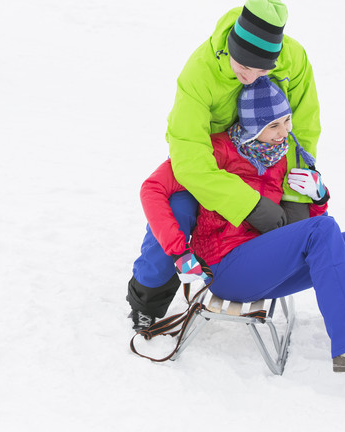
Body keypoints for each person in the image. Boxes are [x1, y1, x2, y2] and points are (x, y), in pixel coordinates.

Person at [135, 76, 345, 383]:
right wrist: (177, 250)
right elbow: (152, 189)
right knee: (322, 229)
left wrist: (317, 198)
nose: (284, 132)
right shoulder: (216, 151)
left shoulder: (281, 156)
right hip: (227, 267)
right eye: (274, 125)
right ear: (251, 126)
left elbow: (301, 229)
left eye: (287, 121)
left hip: (269, 265)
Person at [128, 0, 320, 330]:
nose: (252, 78)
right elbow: (188, 153)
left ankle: (237, 272)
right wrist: (248, 204)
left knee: (267, 227)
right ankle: (148, 297)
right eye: (245, 67)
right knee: (179, 211)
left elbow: (301, 128)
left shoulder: (294, 58)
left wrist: (296, 196)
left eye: (263, 71)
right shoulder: (199, 72)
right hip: (209, 163)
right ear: (232, 43)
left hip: (259, 161)